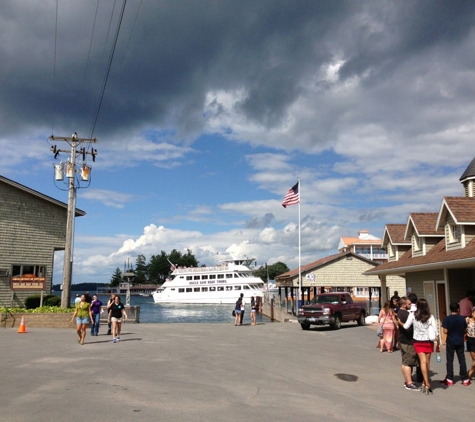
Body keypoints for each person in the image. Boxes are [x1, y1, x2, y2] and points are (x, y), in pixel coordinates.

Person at [403, 298, 440, 395]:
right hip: (428, 341)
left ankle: (427, 383)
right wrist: (438, 342)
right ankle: (425, 382)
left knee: (422, 362)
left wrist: (399, 322)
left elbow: (406, 326)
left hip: (418, 341)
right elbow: (435, 330)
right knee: (427, 362)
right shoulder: (430, 316)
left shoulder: (413, 315)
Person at [440, 302, 470, 386]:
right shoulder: (462, 319)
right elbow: (465, 329)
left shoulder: (447, 319)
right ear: (458, 309)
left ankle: (449, 378)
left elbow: (445, 331)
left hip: (450, 341)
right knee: (462, 359)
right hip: (460, 340)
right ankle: (464, 379)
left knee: (450, 360)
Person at [397, 296, 421, 391]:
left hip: (403, 340)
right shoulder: (406, 314)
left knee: (405, 361)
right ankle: (409, 383)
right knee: (408, 362)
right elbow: (409, 328)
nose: (411, 306)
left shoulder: (400, 313)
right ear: (404, 305)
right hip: (408, 341)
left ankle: (407, 380)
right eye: (409, 304)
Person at [466, 306, 475, 380]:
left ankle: (470, 372)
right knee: (474, 359)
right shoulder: (467, 320)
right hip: (471, 341)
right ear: (472, 313)